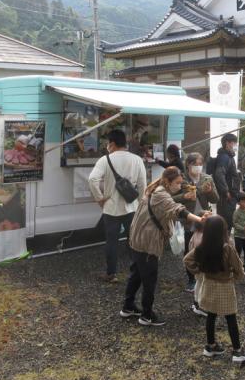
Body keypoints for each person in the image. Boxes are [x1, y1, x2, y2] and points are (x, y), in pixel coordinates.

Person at [121, 166, 206, 326]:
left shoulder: (156, 189)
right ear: (168, 181)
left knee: (137, 274)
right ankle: (147, 315)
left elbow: (171, 203)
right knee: (149, 279)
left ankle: (128, 306)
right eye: (177, 183)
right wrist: (200, 220)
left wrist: (183, 195)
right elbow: (177, 209)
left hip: (138, 239)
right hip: (147, 242)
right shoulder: (161, 194)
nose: (179, 185)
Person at [183, 215, 245, 363]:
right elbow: (238, 267)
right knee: (231, 317)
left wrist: (198, 270)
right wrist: (236, 277)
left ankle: (210, 346)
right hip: (225, 286)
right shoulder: (227, 247)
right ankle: (237, 351)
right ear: (223, 231)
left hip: (208, 285)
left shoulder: (201, 247)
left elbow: (187, 260)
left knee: (211, 315)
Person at [89, 129, 147, 283]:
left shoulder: (105, 160)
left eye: (108, 143)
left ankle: (111, 274)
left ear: (112, 144)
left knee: (111, 242)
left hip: (110, 208)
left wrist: (100, 199)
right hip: (132, 207)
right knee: (133, 241)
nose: (108, 146)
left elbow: (92, 179)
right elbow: (142, 185)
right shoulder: (137, 159)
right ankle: (137, 271)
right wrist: (141, 204)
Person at [173, 152, 219, 292]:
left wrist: (210, 191)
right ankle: (191, 279)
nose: (198, 167)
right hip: (187, 218)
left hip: (204, 219)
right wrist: (184, 196)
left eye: (200, 164)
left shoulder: (207, 178)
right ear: (188, 164)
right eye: (195, 164)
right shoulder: (181, 178)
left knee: (204, 246)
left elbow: (215, 199)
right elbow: (171, 198)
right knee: (189, 249)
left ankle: (204, 274)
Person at [214, 133, 241, 231]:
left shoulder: (228, 156)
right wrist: (226, 191)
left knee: (228, 219)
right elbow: (219, 174)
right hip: (226, 195)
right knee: (225, 220)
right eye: (233, 143)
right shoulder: (224, 157)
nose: (235, 145)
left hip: (230, 193)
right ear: (227, 143)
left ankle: (225, 241)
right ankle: (223, 242)